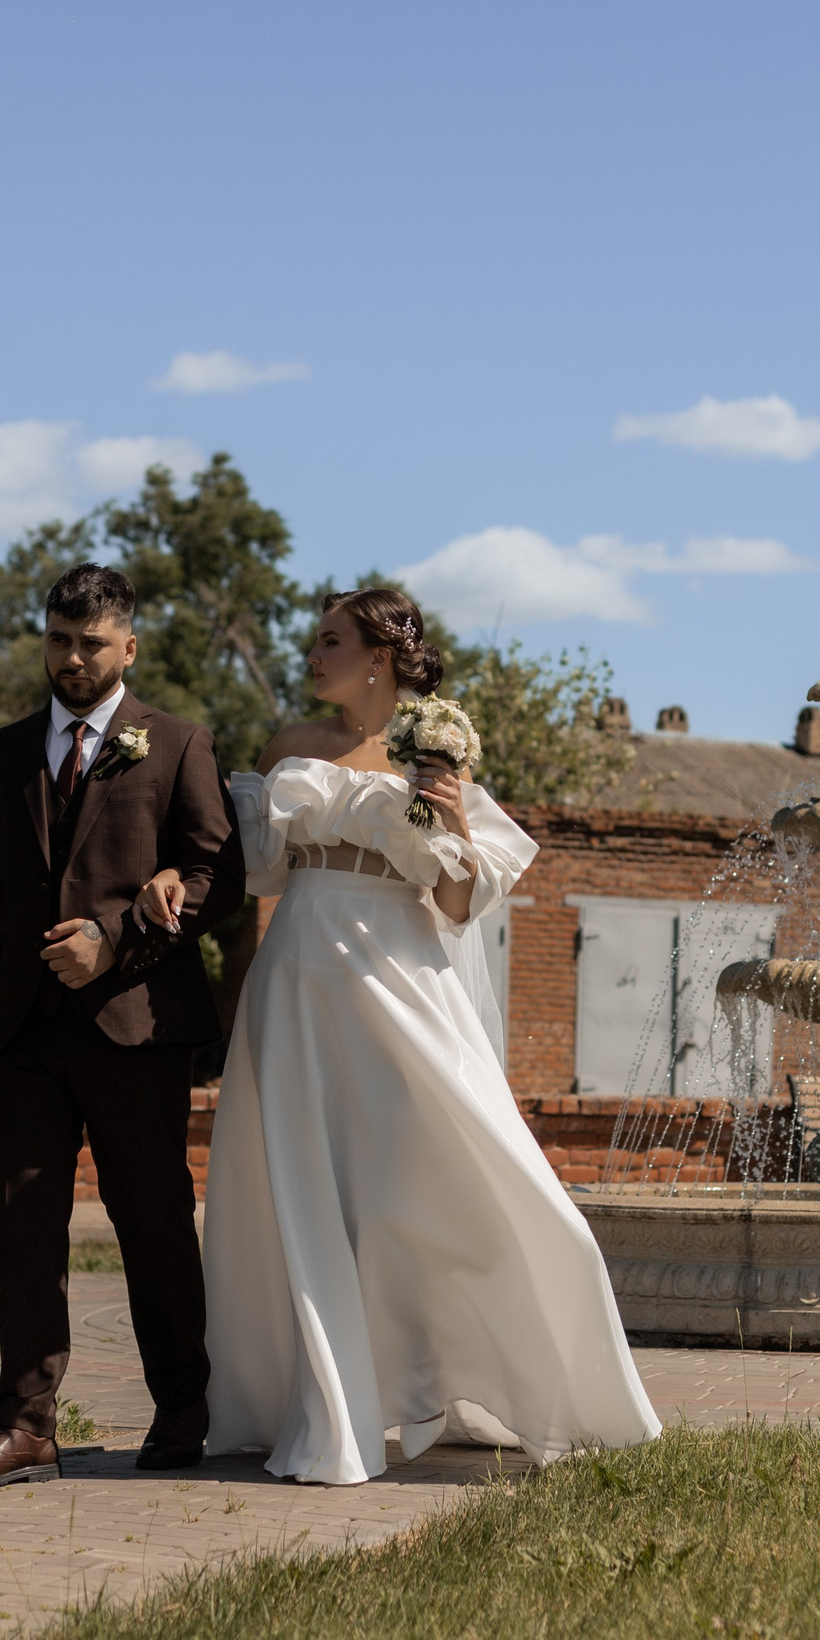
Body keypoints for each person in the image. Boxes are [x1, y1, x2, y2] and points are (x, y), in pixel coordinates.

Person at [196, 585, 661, 1485]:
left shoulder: (438, 758)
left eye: (330, 641)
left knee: (453, 1168)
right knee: (300, 1184)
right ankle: (329, 1407)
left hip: (402, 978)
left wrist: (452, 821)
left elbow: (454, 906)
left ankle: (534, 1371)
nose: (313, 654)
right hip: (295, 975)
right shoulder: (287, 748)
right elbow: (259, 876)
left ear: (379, 655)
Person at [0, 562, 244, 1487]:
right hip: (18, 1033)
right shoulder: (1, 752)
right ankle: (25, 1427)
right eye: (59, 640)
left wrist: (116, 942)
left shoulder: (179, 745)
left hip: (136, 1028)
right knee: (23, 1228)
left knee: (153, 1224)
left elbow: (215, 880)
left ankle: (183, 1412)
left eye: (91, 643)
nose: (71, 657)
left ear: (127, 647)